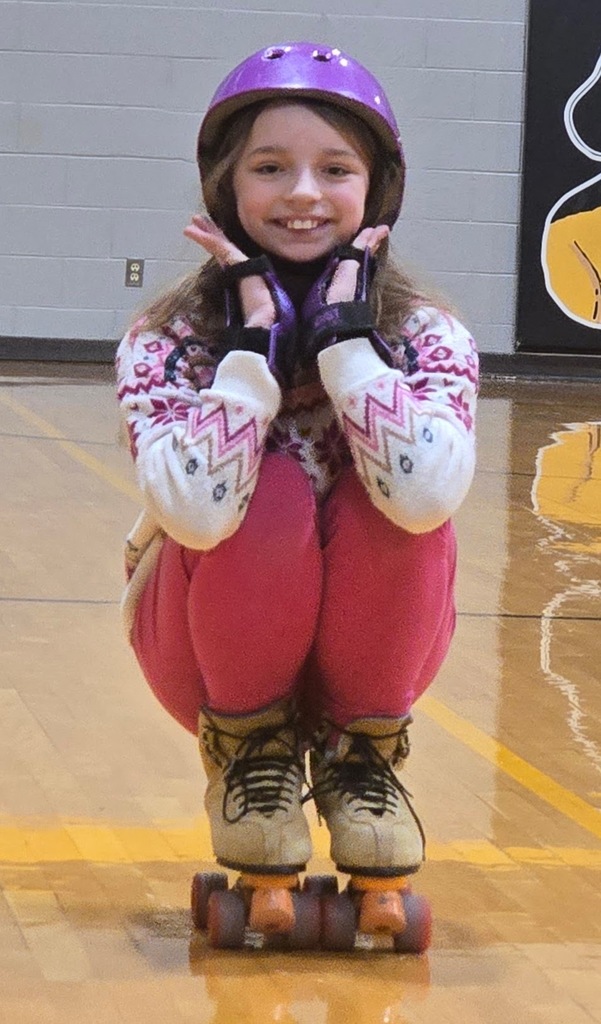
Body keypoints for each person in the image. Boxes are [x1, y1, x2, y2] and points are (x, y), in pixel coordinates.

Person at [116, 42, 478, 884]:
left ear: (375, 190)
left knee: (389, 498)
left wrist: (350, 346)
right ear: (227, 190)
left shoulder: (427, 334)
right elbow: (199, 517)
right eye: (270, 167)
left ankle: (364, 764)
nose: (304, 194)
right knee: (268, 488)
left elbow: (424, 503)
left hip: (381, 652)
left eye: (334, 169)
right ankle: (250, 760)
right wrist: (247, 355)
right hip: (204, 652)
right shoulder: (169, 339)